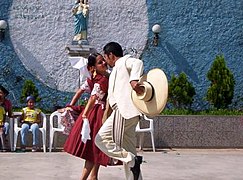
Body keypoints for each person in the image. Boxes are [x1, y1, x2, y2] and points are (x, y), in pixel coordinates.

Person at [95, 42, 144, 180]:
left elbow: (138, 63)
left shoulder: (124, 61)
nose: (105, 61)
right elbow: (112, 96)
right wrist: (106, 114)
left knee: (101, 139)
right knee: (128, 149)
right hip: (128, 113)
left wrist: (134, 80)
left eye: (105, 57)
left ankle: (133, 160)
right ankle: (134, 168)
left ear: (111, 55)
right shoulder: (116, 69)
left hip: (124, 112)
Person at [64, 53, 110, 180]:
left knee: (94, 147)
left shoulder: (93, 79)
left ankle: (93, 176)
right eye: (100, 62)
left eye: (103, 61)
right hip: (98, 113)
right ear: (92, 67)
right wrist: (84, 114)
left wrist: (71, 105)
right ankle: (90, 177)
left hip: (94, 112)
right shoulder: (102, 79)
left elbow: (80, 91)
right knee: (95, 147)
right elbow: (93, 97)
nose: (104, 63)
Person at [0, 85, 12, 150]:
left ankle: (3, 142)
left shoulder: (7, 102)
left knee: (6, 125)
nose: (0, 95)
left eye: (1, 93)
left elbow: (9, 114)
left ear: (4, 94)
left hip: (3, 121)